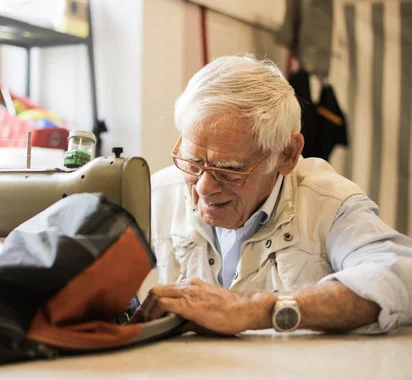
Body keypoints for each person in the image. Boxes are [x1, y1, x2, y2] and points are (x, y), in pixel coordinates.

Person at [131, 54, 412, 335]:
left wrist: (254, 309)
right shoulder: (157, 195)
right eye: (193, 163)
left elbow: (400, 277)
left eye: (229, 169)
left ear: (287, 154)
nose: (204, 187)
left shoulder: (328, 205)